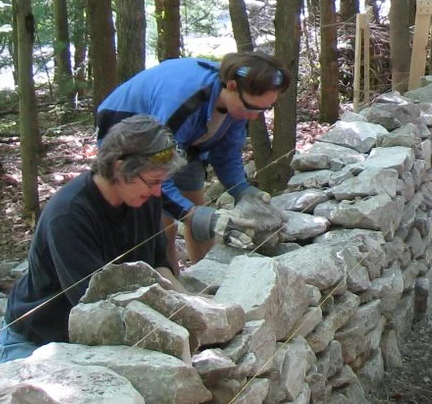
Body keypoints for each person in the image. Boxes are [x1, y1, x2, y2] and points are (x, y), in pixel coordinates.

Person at [0, 116, 181, 360]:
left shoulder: (144, 197)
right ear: (119, 167)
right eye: (153, 181)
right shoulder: (69, 215)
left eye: (161, 182)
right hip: (39, 339)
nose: (158, 191)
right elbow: (93, 305)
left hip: (105, 326)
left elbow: (160, 265)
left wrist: (188, 306)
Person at [96, 52, 291, 261]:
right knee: (160, 220)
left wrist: (241, 189)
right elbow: (156, 171)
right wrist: (188, 214)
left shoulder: (238, 106)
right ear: (232, 86)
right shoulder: (184, 100)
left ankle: (203, 275)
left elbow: (227, 154)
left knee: (199, 210)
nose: (254, 116)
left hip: (188, 139)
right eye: (252, 108)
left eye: (264, 109)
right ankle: (168, 281)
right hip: (131, 130)